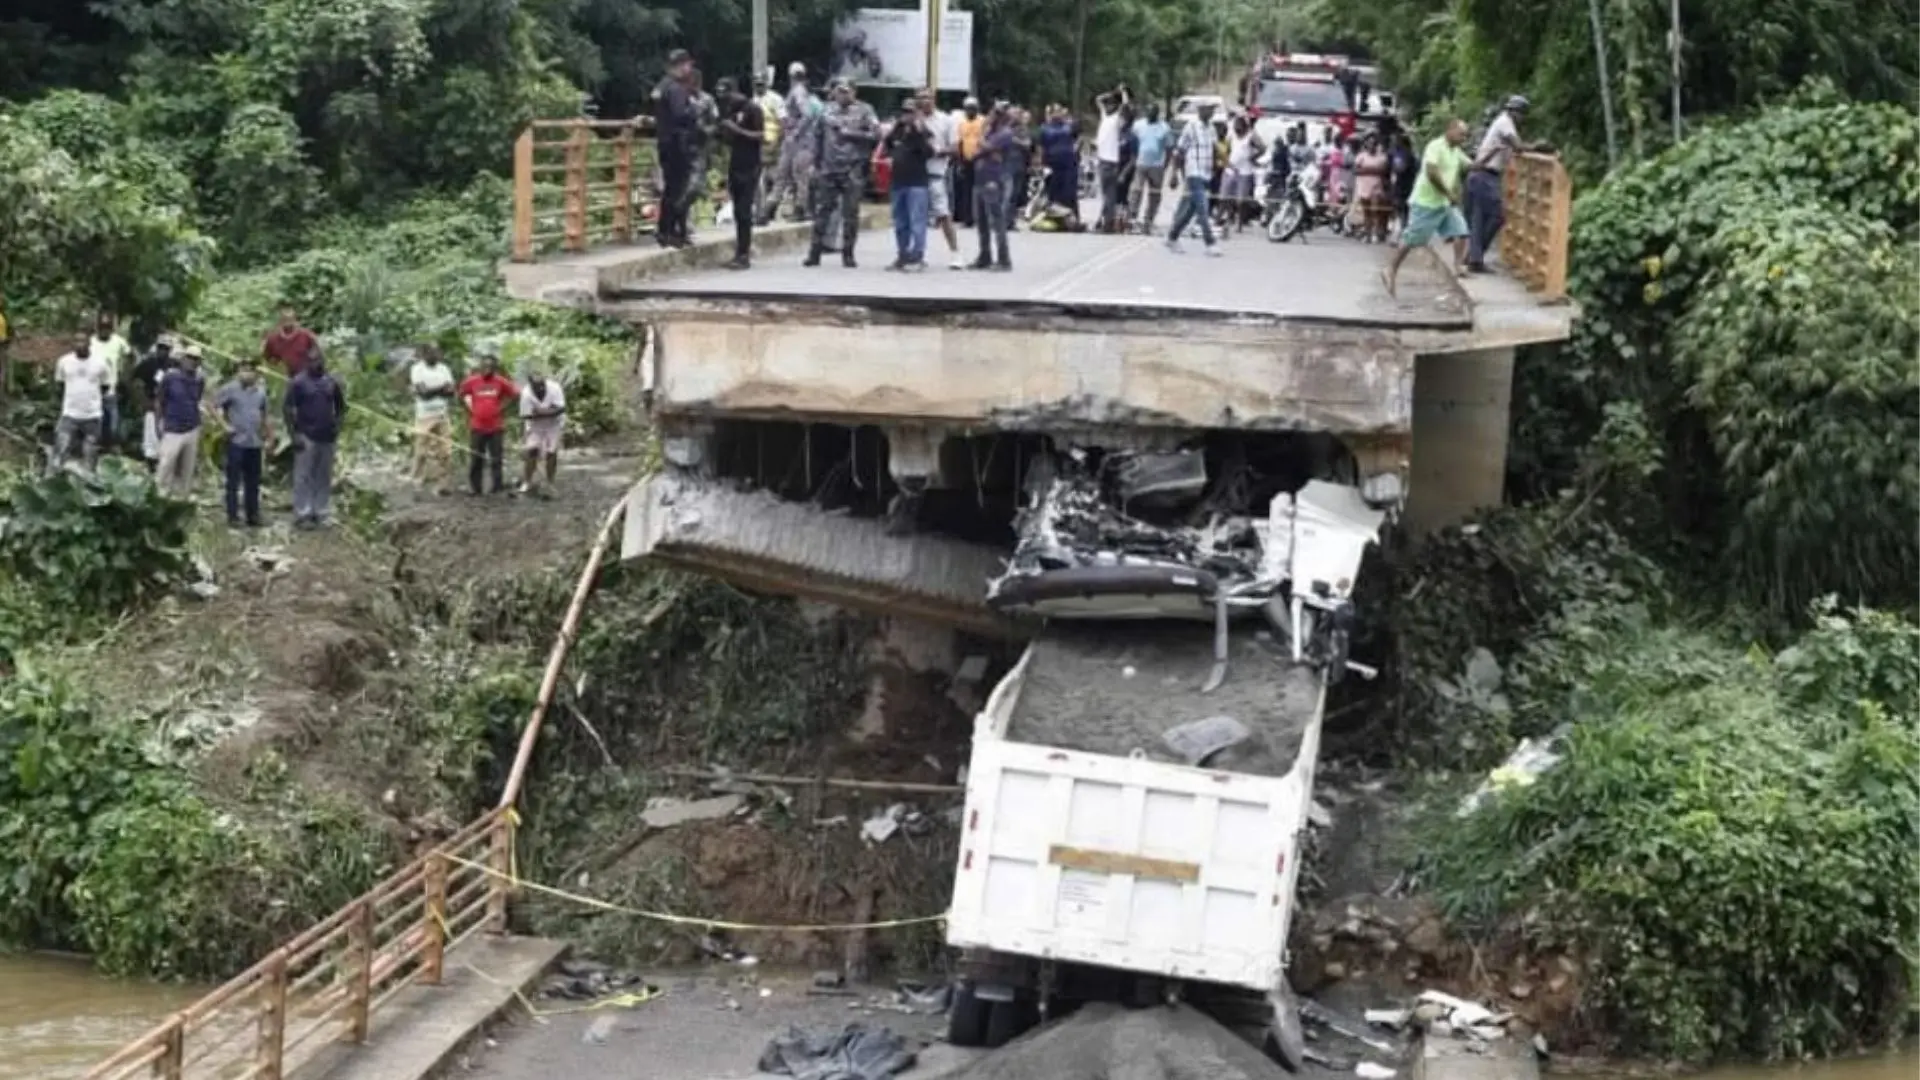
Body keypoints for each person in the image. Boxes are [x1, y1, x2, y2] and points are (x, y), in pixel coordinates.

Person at [1385, 117, 1472, 297]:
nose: (1463, 139)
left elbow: (1472, 165)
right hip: (1426, 202)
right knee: (1412, 239)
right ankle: (1391, 269)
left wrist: (1494, 152)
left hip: (1444, 204)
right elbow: (1432, 173)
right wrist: (1448, 193)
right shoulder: (1435, 146)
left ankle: (1458, 266)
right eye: (1461, 134)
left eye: (1465, 136)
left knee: (1462, 231)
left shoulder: (1455, 151)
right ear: (1450, 130)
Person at [803, 77, 880, 268]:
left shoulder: (865, 110)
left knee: (850, 214)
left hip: (853, 167)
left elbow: (876, 135)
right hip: (829, 168)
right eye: (839, 91)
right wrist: (814, 163)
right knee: (822, 212)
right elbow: (817, 137)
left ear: (854, 92)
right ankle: (815, 252)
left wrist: (852, 134)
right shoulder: (826, 110)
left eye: (846, 91)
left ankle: (848, 253)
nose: (842, 95)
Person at [1466, 95, 1547, 273]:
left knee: (1480, 218)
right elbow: (1517, 146)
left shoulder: (1502, 122)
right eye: (1521, 114)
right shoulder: (1505, 122)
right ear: (1514, 111)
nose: (1522, 119)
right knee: (1497, 215)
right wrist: (1536, 147)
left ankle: (1474, 257)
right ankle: (1475, 256)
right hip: (1486, 173)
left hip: (1482, 174)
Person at [285, 347, 346, 528]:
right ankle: (303, 513)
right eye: (312, 360)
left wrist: (338, 425)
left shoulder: (330, 382)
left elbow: (341, 407)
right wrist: (293, 434)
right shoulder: (298, 382)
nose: (316, 364)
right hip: (306, 434)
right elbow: (288, 409)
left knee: (323, 475)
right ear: (306, 362)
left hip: (327, 436)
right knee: (304, 475)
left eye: (319, 360)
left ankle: (321, 511)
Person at [215, 358, 271, 527]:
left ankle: (252, 514)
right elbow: (212, 405)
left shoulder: (260, 392)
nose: (246, 373)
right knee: (233, 481)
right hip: (236, 442)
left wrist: (267, 435)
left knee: (253, 481)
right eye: (243, 370)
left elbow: (264, 414)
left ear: (256, 373)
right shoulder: (230, 389)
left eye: (249, 370)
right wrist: (224, 425)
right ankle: (233, 516)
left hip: (254, 442)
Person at [761, 63, 819, 223]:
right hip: (793, 141)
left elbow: (807, 115)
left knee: (799, 177)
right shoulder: (799, 91)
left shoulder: (798, 91)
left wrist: (795, 132)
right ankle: (769, 209)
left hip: (801, 142)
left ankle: (800, 210)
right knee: (782, 175)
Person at [717, 78, 766, 270]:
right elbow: (729, 139)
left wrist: (737, 130)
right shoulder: (729, 110)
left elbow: (761, 136)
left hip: (751, 164)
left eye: (728, 95)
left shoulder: (753, 109)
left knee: (744, 211)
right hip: (735, 163)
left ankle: (743, 254)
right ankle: (739, 251)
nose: (726, 99)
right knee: (737, 210)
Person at [653, 49, 700, 248]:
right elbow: (681, 114)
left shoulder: (661, 86)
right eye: (688, 65)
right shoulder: (676, 89)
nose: (689, 69)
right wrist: (694, 110)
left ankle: (667, 230)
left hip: (664, 141)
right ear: (680, 66)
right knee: (677, 189)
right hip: (677, 143)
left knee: (671, 189)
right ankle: (668, 230)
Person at [458, 350, 519, 496]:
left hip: (496, 426)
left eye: (491, 367)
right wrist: (469, 409)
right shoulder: (471, 381)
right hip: (477, 426)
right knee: (475, 458)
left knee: (496, 458)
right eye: (485, 366)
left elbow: (514, 394)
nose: (487, 370)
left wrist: (502, 407)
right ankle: (475, 488)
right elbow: (460, 395)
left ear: (495, 368)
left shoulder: (500, 381)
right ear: (480, 367)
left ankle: (497, 487)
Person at [915, 88, 963, 269]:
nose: (924, 101)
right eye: (920, 98)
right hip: (916, 174)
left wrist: (936, 151)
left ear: (934, 99)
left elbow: (955, 149)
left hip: (936, 173)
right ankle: (919, 253)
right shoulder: (915, 120)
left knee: (943, 214)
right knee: (918, 216)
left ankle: (955, 253)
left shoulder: (945, 120)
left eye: (927, 97)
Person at [1165, 102, 1221, 256]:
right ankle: (1210, 243)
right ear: (1201, 110)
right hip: (1193, 172)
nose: (1211, 113)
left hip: (1206, 173)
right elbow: (1179, 151)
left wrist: (1217, 168)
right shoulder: (1191, 127)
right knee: (1203, 208)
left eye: (1212, 110)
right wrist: (1174, 174)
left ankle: (1172, 237)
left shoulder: (1211, 129)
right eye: (1208, 109)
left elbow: (1215, 150)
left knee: (1191, 210)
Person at [883, 103, 933, 271]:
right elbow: (887, 144)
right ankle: (902, 255)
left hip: (917, 182)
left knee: (917, 221)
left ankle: (918, 256)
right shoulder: (897, 132)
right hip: (898, 182)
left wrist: (917, 132)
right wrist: (898, 126)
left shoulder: (923, 133)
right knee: (900, 222)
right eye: (904, 112)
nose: (907, 116)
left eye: (911, 113)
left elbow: (929, 152)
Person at [153, 343, 205, 498]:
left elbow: (198, 399)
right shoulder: (170, 377)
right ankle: (160, 497)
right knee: (166, 465)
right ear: (183, 359)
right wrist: (158, 423)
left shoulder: (199, 380)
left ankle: (182, 499)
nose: (192, 361)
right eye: (189, 357)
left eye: (196, 359)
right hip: (172, 427)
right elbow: (159, 400)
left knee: (187, 469)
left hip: (192, 426)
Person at [52, 337, 110, 473]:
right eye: (76, 341)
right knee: (61, 449)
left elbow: (105, 386)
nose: (79, 344)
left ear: (89, 344)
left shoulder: (100, 363)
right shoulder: (64, 362)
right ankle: (56, 482)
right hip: (69, 414)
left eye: (83, 341)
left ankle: (88, 485)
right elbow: (60, 385)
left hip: (92, 416)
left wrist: (90, 399)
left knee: (90, 454)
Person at [969, 105, 1016, 270]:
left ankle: (1004, 259)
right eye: (992, 112)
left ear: (1003, 117)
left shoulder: (1005, 133)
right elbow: (977, 151)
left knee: (996, 221)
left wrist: (982, 134)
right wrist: (984, 146)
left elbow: (986, 146)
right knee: (981, 221)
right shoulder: (991, 132)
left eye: (996, 114)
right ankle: (985, 256)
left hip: (994, 180)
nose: (991, 116)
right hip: (981, 179)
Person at [409, 344, 456, 491]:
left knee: (445, 451)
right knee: (421, 451)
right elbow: (423, 394)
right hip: (424, 415)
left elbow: (451, 391)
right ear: (424, 354)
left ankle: (443, 484)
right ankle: (417, 480)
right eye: (432, 352)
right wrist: (440, 389)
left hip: (442, 414)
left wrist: (433, 390)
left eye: (437, 352)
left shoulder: (444, 368)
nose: (435, 355)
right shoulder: (417, 369)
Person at [518, 370, 567, 495]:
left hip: (554, 425)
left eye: (542, 385)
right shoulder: (526, 393)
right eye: (537, 386)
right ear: (531, 385)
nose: (540, 388)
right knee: (532, 451)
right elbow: (526, 416)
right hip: (535, 426)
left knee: (551, 452)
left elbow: (561, 409)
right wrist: (549, 411)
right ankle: (527, 481)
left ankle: (549, 482)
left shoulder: (554, 388)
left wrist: (540, 412)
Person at [1092, 85, 1130, 229]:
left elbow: (1125, 107)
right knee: (1106, 194)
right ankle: (1105, 220)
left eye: (1111, 104)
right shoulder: (1105, 117)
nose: (1107, 107)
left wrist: (1122, 93)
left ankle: (1108, 222)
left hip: (1111, 161)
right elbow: (1098, 100)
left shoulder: (1116, 120)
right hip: (1102, 160)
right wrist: (1111, 93)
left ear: (1115, 106)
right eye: (1107, 105)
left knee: (1110, 194)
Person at [1129, 104, 1171, 233]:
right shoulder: (1138, 125)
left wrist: (1165, 165)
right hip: (1141, 164)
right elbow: (1133, 143)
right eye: (1148, 111)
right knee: (1136, 191)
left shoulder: (1164, 128)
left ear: (1157, 113)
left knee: (1154, 194)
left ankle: (1149, 220)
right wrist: (1133, 159)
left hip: (1157, 165)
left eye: (1153, 111)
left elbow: (1169, 148)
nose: (1150, 113)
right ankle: (1133, 218)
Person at [88, 314, 129, 446]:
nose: (105, 330)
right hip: (93, 390)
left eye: (107, 328)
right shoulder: (91, 342)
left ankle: (109, 447)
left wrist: (124, 374)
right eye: (102, 327)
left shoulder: (118, 342)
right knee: (94, 424)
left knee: (112, 425)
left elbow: (130, 355)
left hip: (110, 390)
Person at [1223, 114, 1265, 231]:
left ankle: (1240, 223)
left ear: (1244, 126)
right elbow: (1226, 149)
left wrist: (1253, 158)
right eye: (1235, 126)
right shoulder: (1231, 134)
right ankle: (1229, 218)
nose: (1237, 128)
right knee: (1225, 197)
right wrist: (1227, 161)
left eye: (1239, 126)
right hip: (1231, 169)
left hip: (1245, 171)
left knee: (1241, 201)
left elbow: (1262, 148)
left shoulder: (1251, 135)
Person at [1038, 105, 1079, 222]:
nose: (1057, 114)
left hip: (1068, 164)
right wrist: (1042, 164)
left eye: (1059, 111)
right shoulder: (1045, 128)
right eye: (1055, 112)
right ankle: (1053, 218)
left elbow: (1077, 137)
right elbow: (1041, 147)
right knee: (1052, 191)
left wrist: (1075, 149)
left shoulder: (1069, 126)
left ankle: (1072, 219)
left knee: (1069, 191)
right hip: (1052, 164)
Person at [1352, 133, 1392, 243]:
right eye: (1369, 143)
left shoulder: (1382, 157)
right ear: (1366, 145)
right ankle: (1368, 234)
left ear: (1377, 145)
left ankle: (1378, 233)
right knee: (1367, 212)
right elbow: (1355, 171)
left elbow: (1383, 171)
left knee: (1377, 212)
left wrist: (1365, 170)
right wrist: (1372, 170)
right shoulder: (1361, 156)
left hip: (1377, 188)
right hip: (1364, 187)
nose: (1372, 146)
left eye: (1374, 144)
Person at [262, 304, 319, 379]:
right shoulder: (272, 338)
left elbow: (317, 353)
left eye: (290, 318)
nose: (288, 321)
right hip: (283, 379)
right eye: (285, 318)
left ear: (295, 319)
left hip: (305, 378)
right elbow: (267, 358)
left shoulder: (306, 335)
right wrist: (278, 367)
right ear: (280, 320)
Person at [954, 97, 985, 227]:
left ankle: (981, 218)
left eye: (972, 108)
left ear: (977, 108)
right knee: (966, 190)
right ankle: (967, 218)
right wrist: (960, 162)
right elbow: (960, 143)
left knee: (980, 189)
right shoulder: (962, 124)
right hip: (966, 160)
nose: (970, 110)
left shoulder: (983, 121)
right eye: (967, 108)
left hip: (980, 159)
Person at [1112, 105, 1139, 232]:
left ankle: (1124, 220)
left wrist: (1123, 173)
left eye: (1121, 118)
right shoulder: (1116, 134)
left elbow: (1134, 158)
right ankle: (1117, 219)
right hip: (1114, 168)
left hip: (1126, 170)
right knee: (1116, 196)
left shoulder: (1131, 136)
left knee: (1122, 196)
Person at [1389, 131, 1419, 235]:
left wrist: (1395, 169)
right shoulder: (1397, 153)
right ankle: (1402, 229)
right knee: (1402, 209)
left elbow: (1402, 168)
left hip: (1404, 185)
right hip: (1402, 184)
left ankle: (1402, 230)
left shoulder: (1406, 154)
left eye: (1396, 140)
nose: (1394, 143)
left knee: (1402, 208)